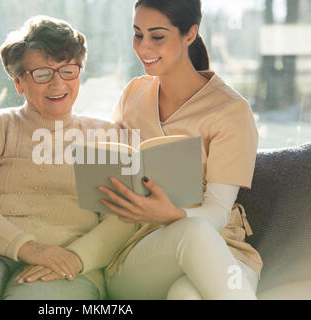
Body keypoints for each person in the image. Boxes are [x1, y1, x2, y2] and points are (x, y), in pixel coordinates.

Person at [0, 15, 134, 300]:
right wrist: (29, 248)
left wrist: (77, 258)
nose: (58, 84)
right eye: (43, 74)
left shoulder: (103, 134)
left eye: (68, 70)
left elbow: (121, 218)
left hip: (64, 260)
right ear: (19, 83)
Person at [98, 0, 263, 300]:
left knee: (185, 294)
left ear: (190, 34)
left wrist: (172, 213)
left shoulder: (230, 111)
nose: (143, 47)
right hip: (142, 255)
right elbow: (109, 168)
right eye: (137, 34)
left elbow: (217, 212)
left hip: (226, 254)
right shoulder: (133, 95)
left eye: (157, 36)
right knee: (193, 233)